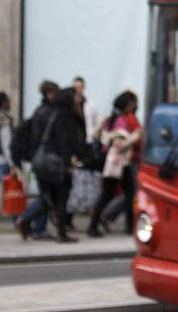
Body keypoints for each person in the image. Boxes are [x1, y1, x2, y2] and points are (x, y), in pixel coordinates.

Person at [34, 86, 86, 243]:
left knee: (51, 200)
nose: (80, 98)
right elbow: (65, 143)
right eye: (76, 96)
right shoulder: (67, 117)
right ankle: (62, 233)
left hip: (43, 162)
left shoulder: (51, 113)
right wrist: (68, 163)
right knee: (61, 200)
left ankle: (27, 222)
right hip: (57, 163)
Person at [88, 92, 141, 236]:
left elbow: (104, 140)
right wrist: (135, 136)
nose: (135, 106)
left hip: (112, 162)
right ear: (127, 105)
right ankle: (128, 228)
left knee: (111, 194)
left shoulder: (110, 120)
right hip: (120, 162)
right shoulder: (120, 121)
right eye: (133, 103)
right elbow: (118, 144)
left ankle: (94, 226)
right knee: (126, 194)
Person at [13, 80, 58, 240]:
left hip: (38, 158)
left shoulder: (40, 111)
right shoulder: (47, 112)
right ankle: (25, 220)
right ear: (49, 93)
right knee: (47, 195)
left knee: (45, 194)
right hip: (44, 159)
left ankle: (38, 228)